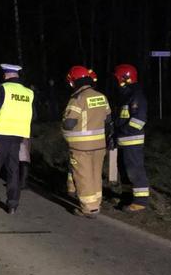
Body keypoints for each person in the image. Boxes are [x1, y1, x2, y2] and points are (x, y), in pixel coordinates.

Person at [0, 63, 34, 214]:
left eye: (4, 74)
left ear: (7, 74)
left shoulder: (2, 88)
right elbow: (32, 115)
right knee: (13, 170)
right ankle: (12, 205)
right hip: (18, 136)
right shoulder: (29, 93)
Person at [62, 66, 113, 218]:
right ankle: (96, 202)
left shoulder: (77, 99)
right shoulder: (101, 96)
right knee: (95, 174)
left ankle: (89, 208)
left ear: (74, 81)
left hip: (81, 146)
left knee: (83, 176)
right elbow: (109, 120)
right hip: (99, 145)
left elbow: (69, 123)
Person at [113, 64, 149, 212]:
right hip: (123, 140)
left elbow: (138, 120)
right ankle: (127, 197)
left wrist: (123, 131)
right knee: (124, 171)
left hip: (132, 140)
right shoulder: (126, 95)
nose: (116, 81)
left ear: (125, 78)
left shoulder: (136, 96)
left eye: (118, 78)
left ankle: (140, 201)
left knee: (135, 170)